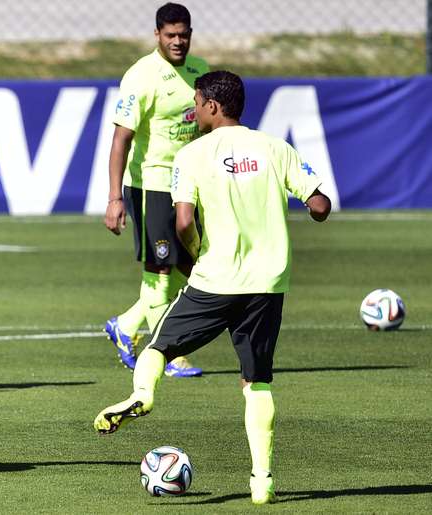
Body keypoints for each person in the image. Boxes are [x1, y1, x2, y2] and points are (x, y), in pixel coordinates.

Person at [94, 70, 331, 504]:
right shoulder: (275, 147)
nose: (193, 110)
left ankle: (142, 396)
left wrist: (198, 250)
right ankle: (262, 482)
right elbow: (319, 204)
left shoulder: (194, 154)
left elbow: (183, 222)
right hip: (268, 281)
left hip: (216, 277)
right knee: (256, 381)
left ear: (212, 107)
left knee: (158, 348)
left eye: (197, 103)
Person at [103, 2, 207, 377]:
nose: (178, 41)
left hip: (189, 185)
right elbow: (121, 140)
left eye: (184, 35)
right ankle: (169, 353)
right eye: (170, 35)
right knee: (159, 271)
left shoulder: (200, 71)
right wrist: (115, 198)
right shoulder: (141, 76)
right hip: (152, 185)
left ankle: (126, 326)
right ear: (157, 35)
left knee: (190, 264)